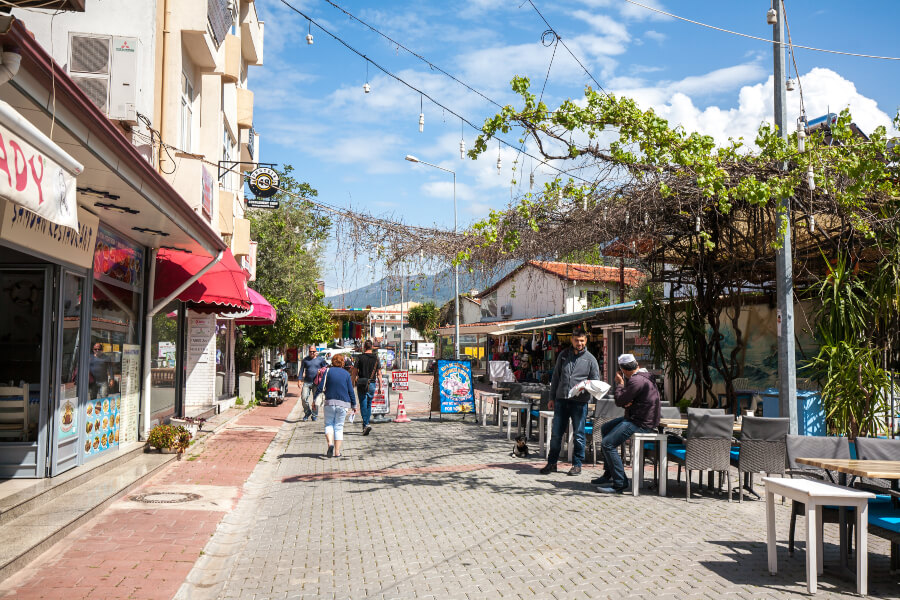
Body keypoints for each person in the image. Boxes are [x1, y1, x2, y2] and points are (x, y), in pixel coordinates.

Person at [594, 353, 662, 494]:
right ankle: (610, 473)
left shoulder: (635, 380)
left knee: (607, 444)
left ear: (623, 370)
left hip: (640, 422)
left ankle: (620, 483)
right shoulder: (646, 376)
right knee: (606, 428)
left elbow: (620, 401)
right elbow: (632, 400)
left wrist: (620, 384)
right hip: (640, 417)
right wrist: (628, 403)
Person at [539, 328, 600, 477]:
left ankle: (577, 465)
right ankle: (552, 463)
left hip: (580, 402)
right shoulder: (563, 355)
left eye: (582, 341)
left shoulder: (591, 359)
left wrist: (585, 387)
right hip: (561, 400)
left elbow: (595, 382)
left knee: (578, 434)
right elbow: (556, 377)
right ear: (572, 340)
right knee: (556, 434)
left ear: (586, 341)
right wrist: (552, 397)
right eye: (576, 340)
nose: (579, 343)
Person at [315, 354, 358, 458]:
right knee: (339, 427)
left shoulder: (328, 371)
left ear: (333, 361)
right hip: (343, 404)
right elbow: (351, 390)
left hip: (329, 402)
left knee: (328, 424)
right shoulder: (346, 374)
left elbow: (320, 387)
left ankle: (330, 444)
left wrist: (314, 399)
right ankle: (337, 452)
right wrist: (354, 405)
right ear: (343, 362)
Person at [354, 340, 381, 436]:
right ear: (372, 347)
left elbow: (354, 372)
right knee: (369, 404)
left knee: (363, 404)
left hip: (362, 383)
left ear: (364, 347)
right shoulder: (376, 358)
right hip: (372, 383)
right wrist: (380, 386)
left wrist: (352, 383)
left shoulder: (359, 357)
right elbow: (379, 373)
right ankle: (366, 423)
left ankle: (365, 424)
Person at [299, 348, 326, 421]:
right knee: (304, 398)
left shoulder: (320, 359)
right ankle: (307, 412)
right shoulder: (305, 360)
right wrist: (299, 380)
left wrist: (321, 372)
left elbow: (325, 369)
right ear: (309, 351)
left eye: (313, 351)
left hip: (317, 382)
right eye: (311, 351)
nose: (312, 353)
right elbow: (301, 370)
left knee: (316, 399)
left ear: (316, 351)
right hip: (307, 382)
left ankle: (314, 415)